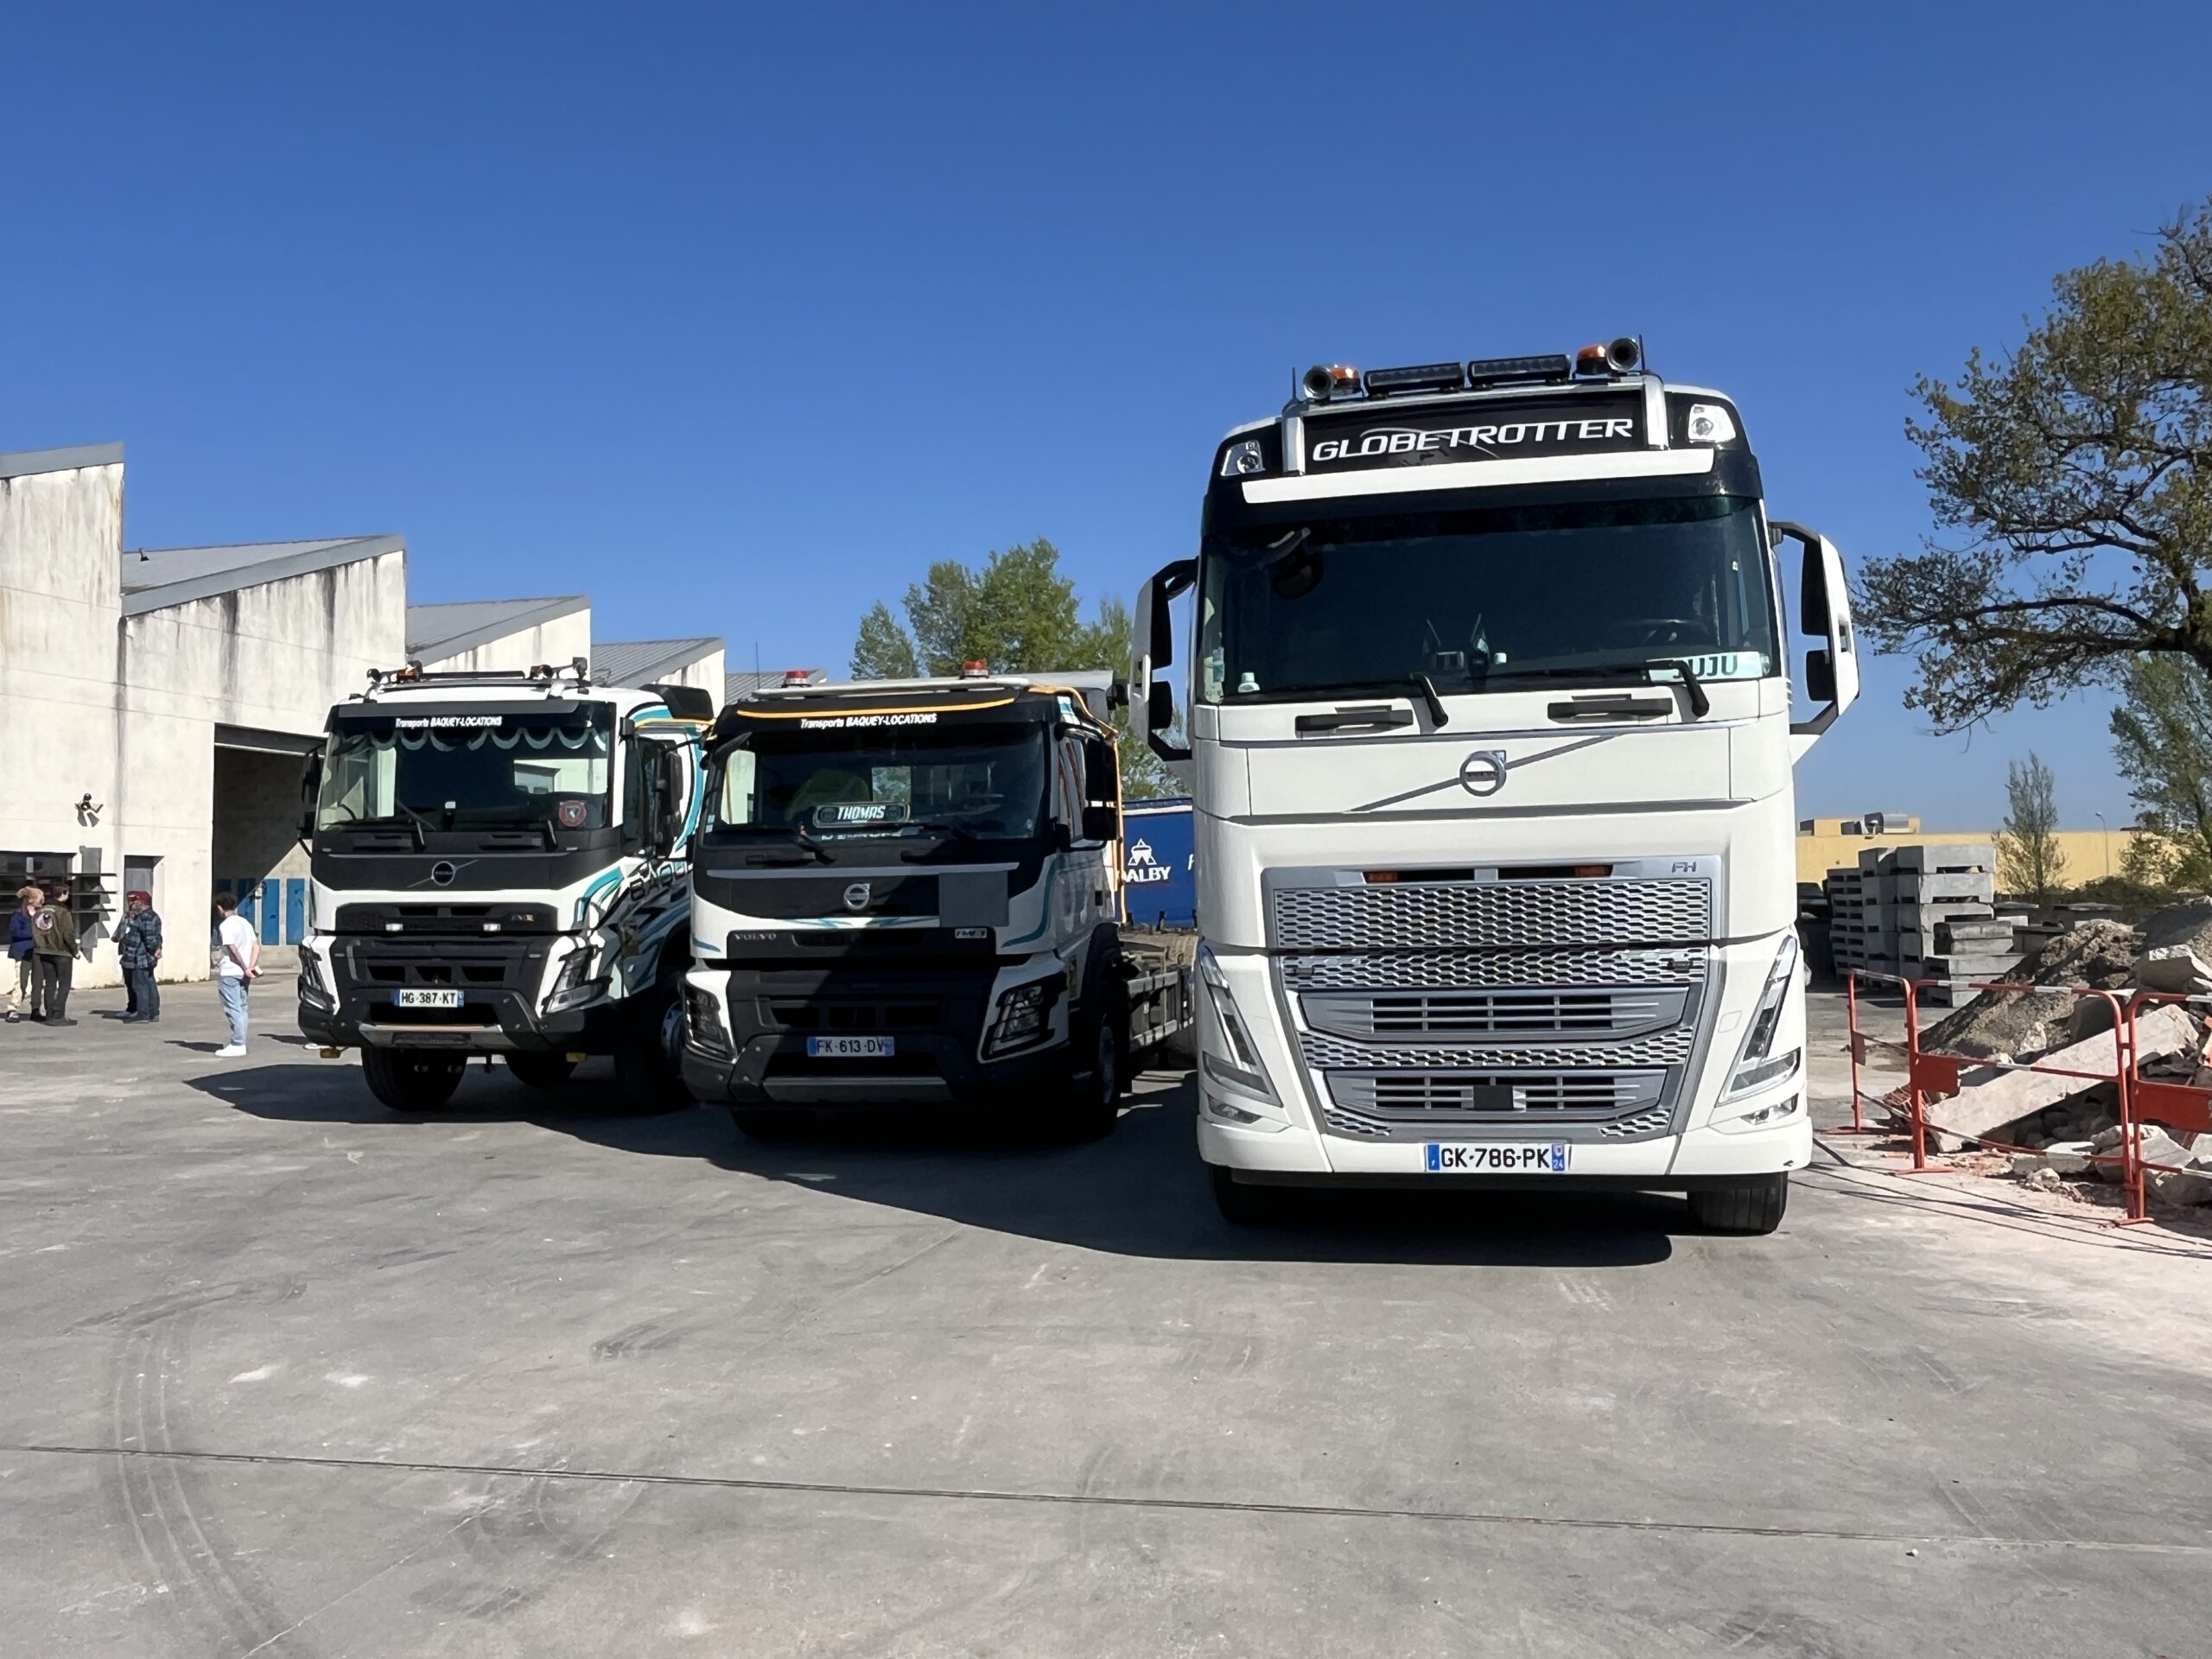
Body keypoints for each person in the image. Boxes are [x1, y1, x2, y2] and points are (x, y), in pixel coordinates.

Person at [213, 893, 260, 1057]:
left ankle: (237, 1043)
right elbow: (256, 946)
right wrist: (250, 966)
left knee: (233, 1008)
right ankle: (241, 1042)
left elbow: (232, 949)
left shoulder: (226, 925)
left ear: (220, 908)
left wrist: (244, 967)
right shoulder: (245, 922)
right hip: (245, 973)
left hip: (231, 971)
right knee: (242, 1007)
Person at [30, 882, 79, 1027]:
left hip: (43, 951)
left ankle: (49, 1014)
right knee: (64, 984)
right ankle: (58, 1016)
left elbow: (36, 931)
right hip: (61, 951)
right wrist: (75, 950)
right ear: (63, 894)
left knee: (50, 984)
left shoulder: (40, 911)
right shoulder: (63, 911)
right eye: (67, 893)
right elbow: (68, 934)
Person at [116, 889, 164, 1023]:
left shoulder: (146, 917)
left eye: (134, 900)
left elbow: (150, 938)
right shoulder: (143, 916)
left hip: (141, 957)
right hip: (140, 957)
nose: (132, 903)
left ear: (142, 902)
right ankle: (153, 1013)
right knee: (148, 984)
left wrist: (155, 949)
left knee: (141, 985)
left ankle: (144, 1013)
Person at [7, 886, 40, 1023]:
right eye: (39, 899)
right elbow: (16, 933)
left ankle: (36, 1008)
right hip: (22, 952)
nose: (41, 902)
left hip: (37, 952)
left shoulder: (40, 914)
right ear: (31, 900)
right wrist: (33, 928)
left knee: (38, 981)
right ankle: (13, 1008)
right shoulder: (18, 916)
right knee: (21, 981)